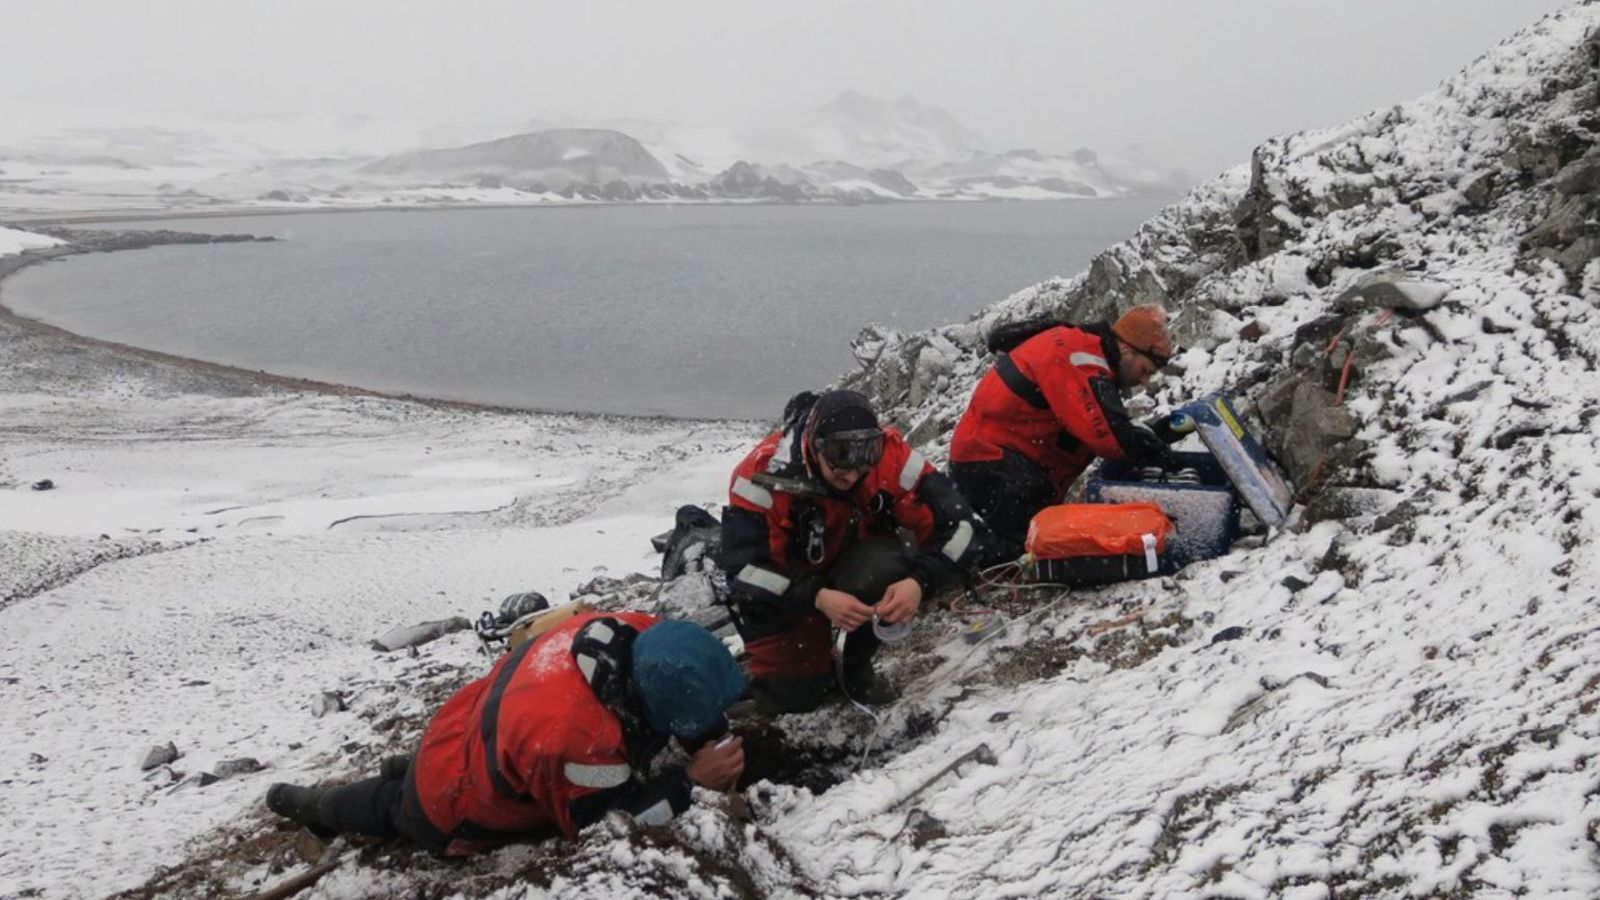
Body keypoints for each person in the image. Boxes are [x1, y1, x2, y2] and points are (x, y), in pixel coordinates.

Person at [264, 613, 745, 856]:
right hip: (454, 798)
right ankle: (310, 804)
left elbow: (683, 685)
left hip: (472, 725)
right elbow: (604, 827)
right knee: (393, 808)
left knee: (414, 772)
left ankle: (400, 770)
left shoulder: (634, 632)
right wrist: (689, 782)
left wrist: (710, 735)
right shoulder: (575, 742)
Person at [719, 389, 980, 714]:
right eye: (839, 463)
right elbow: (743, 571)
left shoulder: (893, 456)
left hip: (850, 562)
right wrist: (816, 597)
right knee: (794, 698)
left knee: (881, 569)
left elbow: (965, 526)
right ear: (815, 446)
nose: (852, 476)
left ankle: (854, 665)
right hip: (785, 588)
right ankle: (760, 682)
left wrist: (919, 581)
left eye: (863, 467)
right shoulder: (759, 477)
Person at [949, 303, 1184, 560]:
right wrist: (1156, 451)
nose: (1144, 380)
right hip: (994, 466)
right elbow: (1109, 435)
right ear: (1126, 349)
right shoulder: (1079, 357)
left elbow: (1097, 425)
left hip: (1001, 465)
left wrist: (1151, 437)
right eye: (1145, 370)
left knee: (1039, 545)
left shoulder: (1085, 350)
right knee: (1027, 553)